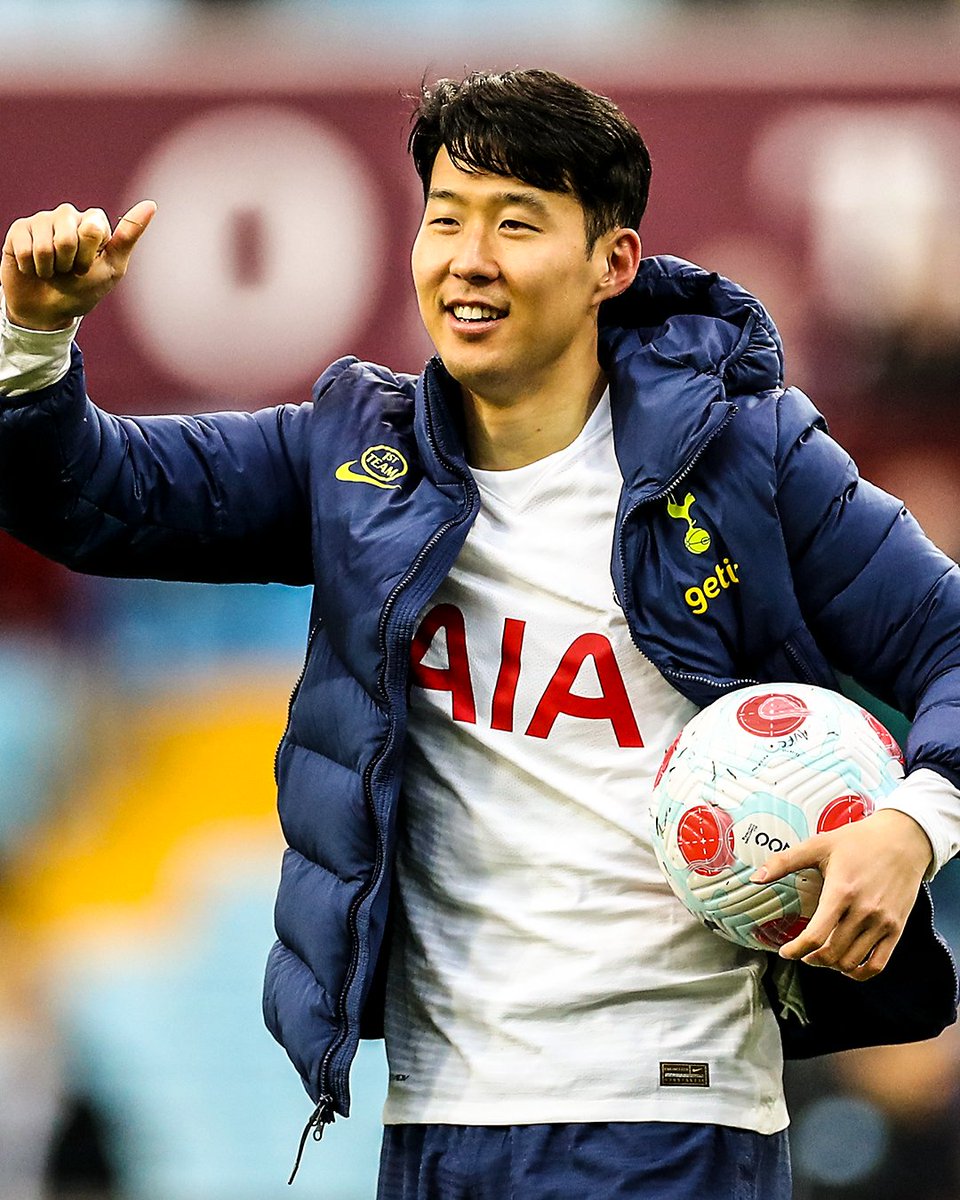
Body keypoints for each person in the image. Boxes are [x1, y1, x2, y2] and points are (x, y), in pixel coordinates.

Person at [1, 68, 959, 1200]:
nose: (468, 258)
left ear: (613, 262)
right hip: (439, 1118)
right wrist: (33, 338)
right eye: (446, 219)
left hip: (666, 1113)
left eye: (516, 223)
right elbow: (98, 496)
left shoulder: (747, 460)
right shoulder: (354, 460)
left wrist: (914, 826)